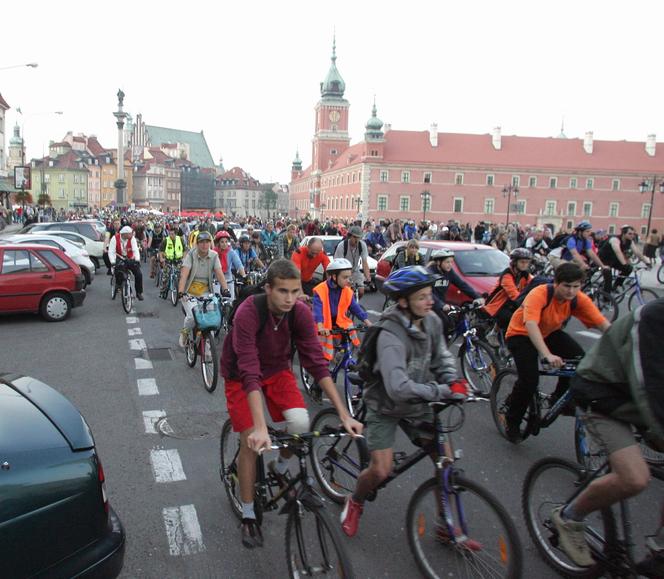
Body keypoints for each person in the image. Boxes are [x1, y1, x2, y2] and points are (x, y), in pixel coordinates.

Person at [221, 259, 363, 547]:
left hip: (277, 370)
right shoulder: (249, 312)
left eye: (295, 291)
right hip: (241, 374)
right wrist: (260, 427)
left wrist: (344, 414)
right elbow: (249, 369)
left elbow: (316, 363)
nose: (289, 299)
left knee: (300, 423)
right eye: (282, 291)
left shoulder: (299, 312)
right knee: (250, 438)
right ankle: (249, 514)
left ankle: (280, 469)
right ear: (268, 289)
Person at [340, 266, 469, 537]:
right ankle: (355, 502)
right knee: (380, 470)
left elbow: (441, 355)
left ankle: (445, 523)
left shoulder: (432, 321)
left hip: (417, 401)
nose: (430, 301)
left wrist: (452, 378)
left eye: (429, 295)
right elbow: (397, 388)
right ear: (403, 301)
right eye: (422, 297)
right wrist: (442, 391)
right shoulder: (390, 334)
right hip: (385, 404)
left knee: (444, 461)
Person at [551, 299, 664, 572]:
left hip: (641, 400)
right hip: (604, 395)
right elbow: (648, 386)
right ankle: (569, 517)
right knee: (634, 478)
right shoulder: (653, 319)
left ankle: (659, 550)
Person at [502, 263, 611, 442]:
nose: (571, 291)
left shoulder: (578, 299)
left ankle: (558, 398)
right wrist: (546, 355)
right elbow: (531, 325)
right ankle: (512, 421)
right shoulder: (540, 294)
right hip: (521, 334)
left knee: (579, 359)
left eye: (576, 286)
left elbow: (604, 325)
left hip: (549, 332)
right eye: (567, 286)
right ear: (556, 283)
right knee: (529, 381)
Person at [312, 258, 372, 361]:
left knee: (350, 338)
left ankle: (342, 354)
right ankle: (322, 368)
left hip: (340, 322)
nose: (348, 281)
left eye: (349, 277)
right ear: (334, 277)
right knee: (323, 356)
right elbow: (317, 311)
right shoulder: (320, 290)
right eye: (345, 277)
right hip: (324, 325)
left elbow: (355, 308)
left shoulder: (347, 291)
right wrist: (321, 326)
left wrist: (368, 322)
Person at [177, 232, 230, 347]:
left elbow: (220, 274)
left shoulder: (214, 256)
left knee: (211, 319)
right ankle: (185, 332)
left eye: (207, 242)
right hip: (189, 293)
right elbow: (184, 275)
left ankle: (208, 350)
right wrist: (181, 291)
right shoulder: (191, 255)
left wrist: (225, 289)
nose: (204, 245)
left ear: (210, 243)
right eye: (201, 242)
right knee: (192, 316)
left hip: (206, 293)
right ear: (197, 244)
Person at [427, 249, 484, 334]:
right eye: (447, 262)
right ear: (438, 262)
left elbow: (462, 285)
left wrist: (477, 297)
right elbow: (428, 292)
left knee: (452, 322)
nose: (450, 265)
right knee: (444, 323)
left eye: (451, 262)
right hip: (430, 304)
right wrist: (441, 305)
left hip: (442, 305)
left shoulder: (449, 272)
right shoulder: (430, 272)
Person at [482, 248, 533, 331]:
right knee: (514, 319)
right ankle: (493, 334)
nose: (525, 265)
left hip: (510, 303)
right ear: (514, 262)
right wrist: (527, 304)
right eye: (522, 262)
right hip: (498, 305)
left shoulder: (524, 275)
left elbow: (534, 285)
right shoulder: (507, 275)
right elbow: (514, 295)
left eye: (527, 262)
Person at [598, 225, 650, 293]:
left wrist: (647, 262)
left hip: (614, 259)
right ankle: (606, 299)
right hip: (604, 259)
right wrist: (624, 264)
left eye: (633, 234)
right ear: (623, 233)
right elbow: (618, 252)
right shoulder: (615, 239)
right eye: (630, 234)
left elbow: (637, 252)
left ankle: (616, 285)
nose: (632, 235)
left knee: (629, 269)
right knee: (608, 279)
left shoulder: (629, 241)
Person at [334, 226, 371, 298]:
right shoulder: (342, 246)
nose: (357, 240)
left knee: (361, 291)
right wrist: (345, 278)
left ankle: (355, 305)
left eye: (359, 237)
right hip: (343, 271)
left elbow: (364, 262)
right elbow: (338, 265)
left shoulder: (362, 245)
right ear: (349, 236)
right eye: (354, 237)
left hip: (355, 271)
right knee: (346, 292)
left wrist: (368, 276)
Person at [108, 225, 144, 300]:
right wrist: (112, 262)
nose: (131, 235)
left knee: (139, 274)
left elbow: (135, 250)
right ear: (124, 234)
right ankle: (118, 284)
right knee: (119, 271)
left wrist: (137, 260)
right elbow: (111, 252)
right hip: (119, 258)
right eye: (130, 233)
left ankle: (139, 293)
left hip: (129, 258)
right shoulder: (114, 238)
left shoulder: (132, 239)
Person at [214, 230, 245, 299]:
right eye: (222, 242)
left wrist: (244, 277)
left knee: (230, 303)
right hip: (216, 281)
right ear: (218, 243)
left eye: (226, 242)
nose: (224, 244)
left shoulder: (231, 252)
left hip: (228, 280)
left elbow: (239, 265)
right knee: (214, 304)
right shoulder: (213, 253)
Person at [159, 227, 185, 297]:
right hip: (168, 260)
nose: (171, 235)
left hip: (178, 260)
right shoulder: (166, 240)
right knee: (165, 276)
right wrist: (161, 258)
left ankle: (180, 291)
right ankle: (162, 291)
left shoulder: (181, 239)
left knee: (181, 276)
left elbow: (185, 250)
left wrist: (184, 259)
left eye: (172, 234)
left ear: (175, 234)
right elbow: (161, 251)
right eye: (170, 234)